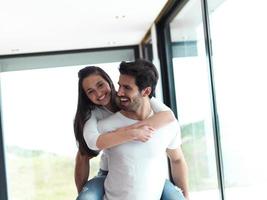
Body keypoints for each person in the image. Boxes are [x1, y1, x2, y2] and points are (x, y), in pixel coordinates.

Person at [74, 65, 184, 199]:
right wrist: (131, 133)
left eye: (100, 85)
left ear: (109, 81)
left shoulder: (129, 98)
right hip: (107, 172)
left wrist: (135, 128)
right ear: (86, 96)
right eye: (90, 91)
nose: (98, 93)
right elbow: (91, 145)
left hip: (147, 176)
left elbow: (168, 116)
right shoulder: (94, 117)